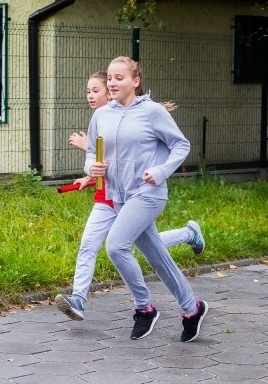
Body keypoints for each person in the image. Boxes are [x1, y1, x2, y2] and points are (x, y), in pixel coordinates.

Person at [55, 72, 205, 321]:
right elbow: (101, 160)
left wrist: (156, 172)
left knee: (139, 247)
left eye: (96, 90)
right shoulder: (101, 119)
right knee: (92, 245)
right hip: (107, 198)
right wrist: (89, 173)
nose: (91, 96)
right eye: (88, 91)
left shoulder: (140, 117)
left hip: (138, 197)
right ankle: (78, 300)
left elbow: (131, 161)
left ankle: (186, 240)